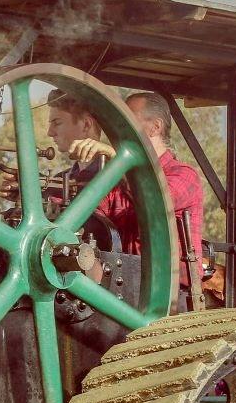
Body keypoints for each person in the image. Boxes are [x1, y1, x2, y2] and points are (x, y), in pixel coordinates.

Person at [45, 88, 205, 277]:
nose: (119, 129)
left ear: (155, 127)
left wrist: (118, 160)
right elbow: (89, 213)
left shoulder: (184, 175)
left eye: (128, 121)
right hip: (130, 282)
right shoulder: (121, 180)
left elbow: (156, 202)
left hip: (171, 287)